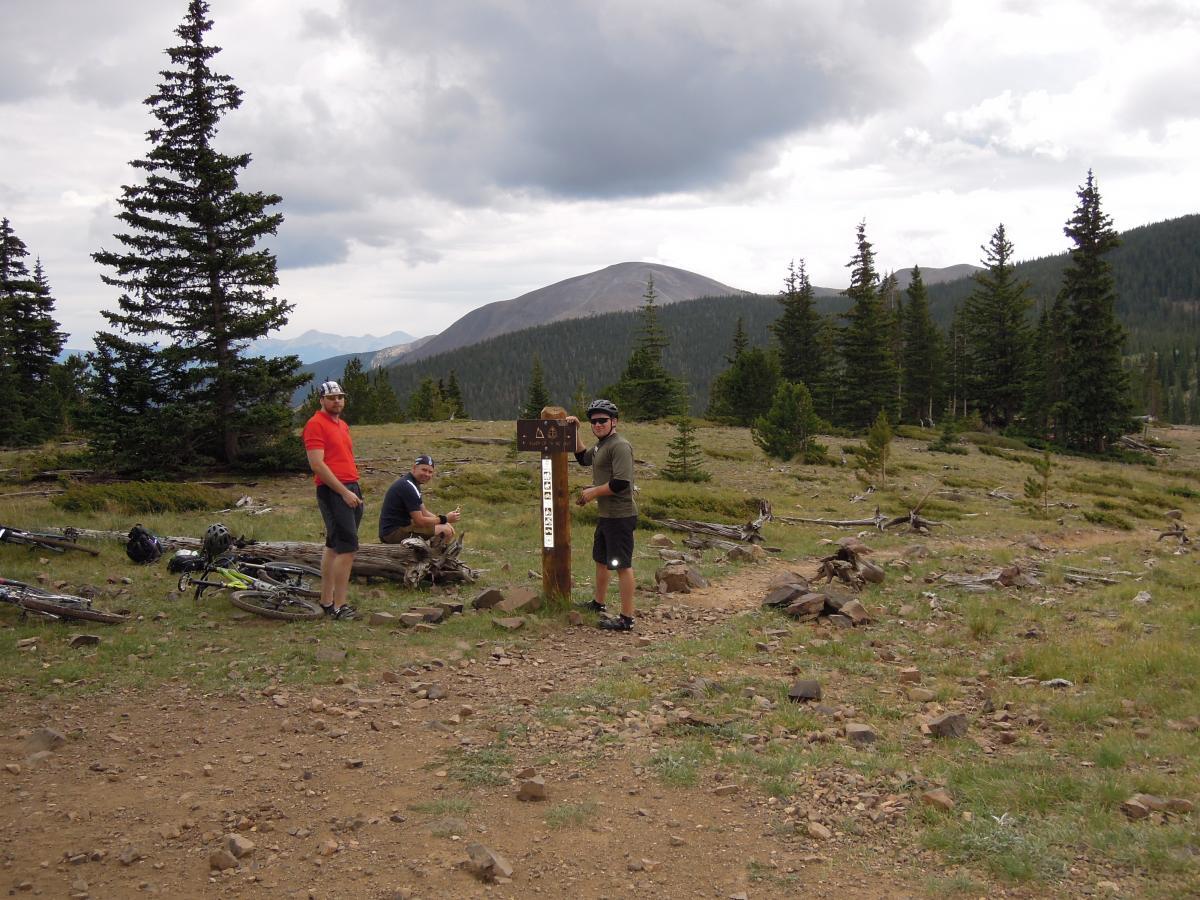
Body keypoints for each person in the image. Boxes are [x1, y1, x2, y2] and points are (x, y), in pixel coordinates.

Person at [565, 399, 638, 631]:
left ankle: (626, 618)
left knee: (622, 565)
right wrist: (575, 430)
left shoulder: (620, 446)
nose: (597, 425)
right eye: (593, 421)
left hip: (621, 515)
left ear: (614, 421)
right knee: (601, 560)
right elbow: (581, 458)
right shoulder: (600, 446)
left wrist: (592, 492)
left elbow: (620, 483)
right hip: (606, 516)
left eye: (602, 421)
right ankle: (598, 603)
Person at [302, 380, 362, 620]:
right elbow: (317, 464)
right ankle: (340, 606)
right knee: (348, 548)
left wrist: (353, 488)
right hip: (334, 490)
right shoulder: (315, 424)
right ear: (322, 401)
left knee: (333, 545)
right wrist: (343, 492)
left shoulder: (342, 425)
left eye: (340, 397)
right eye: (331, 398)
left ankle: (327, 600)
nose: (337, 401)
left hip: (351, 486)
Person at [379, 455, 461, 544]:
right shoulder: (408, 487)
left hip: (401, 527)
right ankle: (433, 557)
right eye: (424, 470)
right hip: (392, 533)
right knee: (445, 531)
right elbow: (420, 521)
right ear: (414, 468)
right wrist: (444, 519)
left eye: (430, 472)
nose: (427, 474)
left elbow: (424, 512)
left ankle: (427, 554)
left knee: (445, 527)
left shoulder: (412, 483)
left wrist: (445, 521)